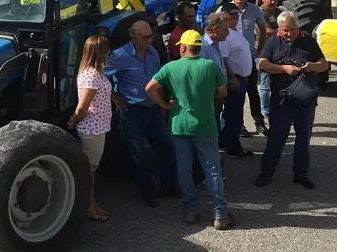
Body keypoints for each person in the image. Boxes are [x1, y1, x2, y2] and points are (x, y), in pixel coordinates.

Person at [145, 30, 231, 228]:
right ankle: (220, 214)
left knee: (184, 170)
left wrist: (164, 105)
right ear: (199, 48)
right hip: (205, 125)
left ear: (183, 47)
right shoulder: (210, 66)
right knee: (212, 170)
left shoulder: (171, 67)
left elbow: (149, 88)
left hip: (179, 124)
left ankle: (190, 210)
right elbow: (223, 91)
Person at [105, 21, 178, 206]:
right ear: (133, 36)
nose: (150, 40)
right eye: (145, 37)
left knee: (166, 147)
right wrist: (115, 97)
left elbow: (157, 80)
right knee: (136, 153)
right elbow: (101, 77)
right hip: (132, 111)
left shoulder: (153, 53)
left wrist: (161, 105)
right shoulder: (119, 56)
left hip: (152, 109)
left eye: (151, 36)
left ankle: (168, 187)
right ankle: (147, 192)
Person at [255, 10, 329, 188]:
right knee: (276, 139)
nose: (289, 34)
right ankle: (266, 173)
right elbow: (262, 64)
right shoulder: (273, 42)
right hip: (281, 102)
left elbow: (324, 64)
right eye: (285, 30)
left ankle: (301, 174)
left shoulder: (308, 42)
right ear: (279, 29)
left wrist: (312, 66)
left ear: (298, 27)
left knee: (303, 140)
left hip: (305, 101)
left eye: (293, 30)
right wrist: (284, 69)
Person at [68, 35, 113, 222]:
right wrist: (73, 121)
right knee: (90, 170)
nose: (109, 52)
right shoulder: (92, 74)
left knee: (91, 168)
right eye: (106, 49)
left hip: (97, 126)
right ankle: (89, 205)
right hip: (92, 128)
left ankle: (90, 203)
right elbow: (83, 106)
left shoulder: (93, 71)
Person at [216, 2, 255, 159]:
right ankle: (233, 147)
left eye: (236, 16)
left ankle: (226, 141)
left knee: (232, 114)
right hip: (235, 80)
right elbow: (223, 59)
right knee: (234, 115)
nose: (233, 19)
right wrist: (232, 78)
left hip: (242, 78)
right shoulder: (226, 36)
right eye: (230, 16)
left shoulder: (234, 32)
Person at [228, 0, 265, 133]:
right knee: (238, 93)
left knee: (253, 91)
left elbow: (263, 31)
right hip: (232, 60)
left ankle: (259, 122)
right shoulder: (226, 10)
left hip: (249, 58)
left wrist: (259, 51)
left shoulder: (255, 10)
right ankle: (240, 124)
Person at [255, 0, 280, 136]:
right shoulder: (260, 13)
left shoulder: (279, 11)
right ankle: (265, 111)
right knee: (264, 84)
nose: (273, 2)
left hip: (278, 52)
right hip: (263, 52)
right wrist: (282, 29)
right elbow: (268, 32)